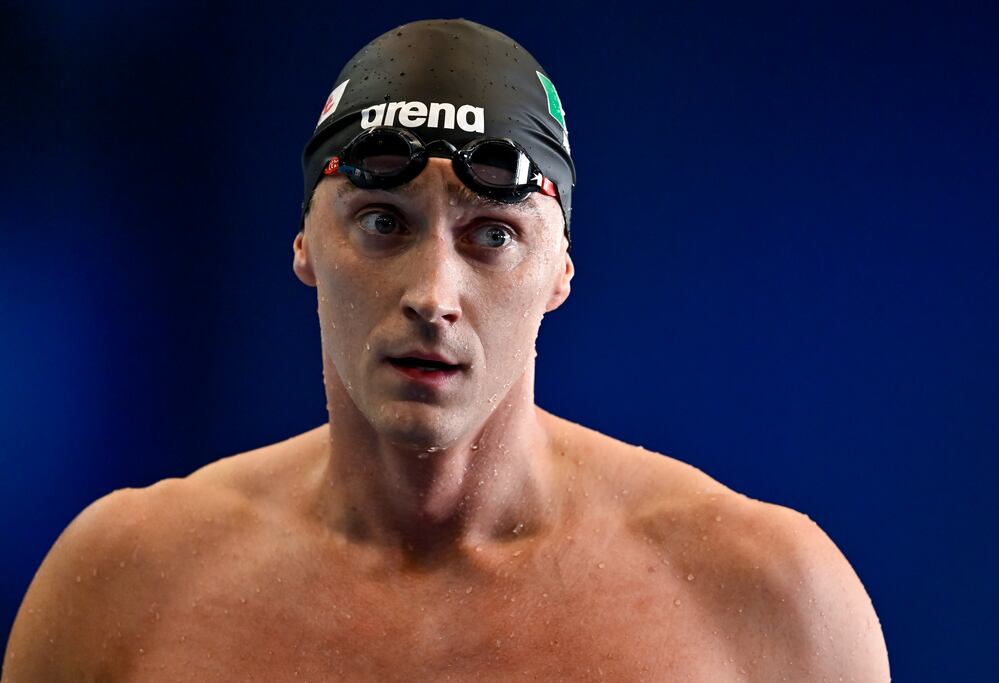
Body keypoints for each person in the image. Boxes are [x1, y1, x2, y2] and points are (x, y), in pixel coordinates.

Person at [3, 18, 889, 682]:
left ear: (560, 270)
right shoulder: (117, 589)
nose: (433, 293)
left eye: (492, 235)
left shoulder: (772, 603)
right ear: (306, 243)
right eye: (382, 223)